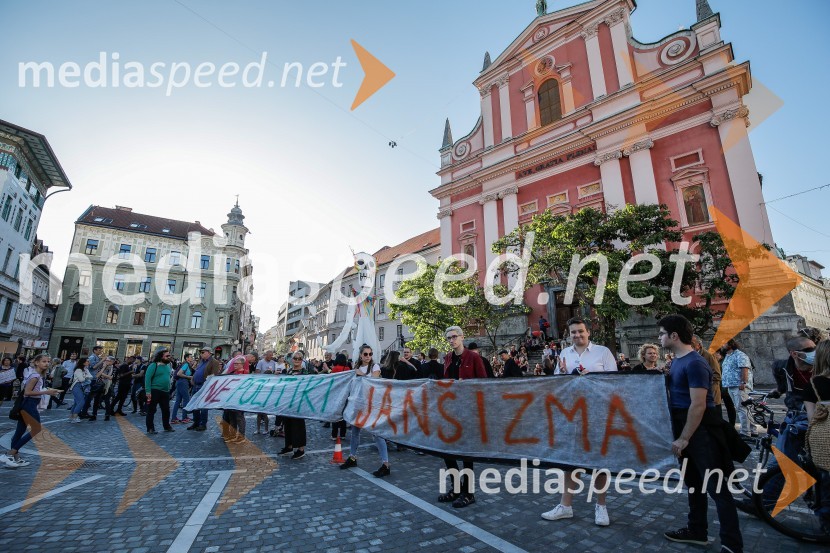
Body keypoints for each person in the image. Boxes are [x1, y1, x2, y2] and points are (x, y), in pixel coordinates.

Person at [659, 315, 743, 553]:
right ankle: (697, 530)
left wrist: (685, 437)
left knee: (718, 489)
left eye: (662, 333)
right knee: (694, 484)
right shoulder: (677, 361)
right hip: (685, 427)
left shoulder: (695, 363)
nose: (659, 338)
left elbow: (698, 405)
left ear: (674, 336)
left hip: (701, 431)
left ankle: (732, 544)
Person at [544, 317, 616, 526]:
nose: (577, 335)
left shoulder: (603, 352)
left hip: (598, 414)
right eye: (573, 332)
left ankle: (601, 506)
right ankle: (565, 506)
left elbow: (615, 382)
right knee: (570, 461)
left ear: (588, 332)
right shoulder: (564, 354)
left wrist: (591, 376)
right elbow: (559, 385)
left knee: (599, 462)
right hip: (572, 415)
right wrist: (565, 375)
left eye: (580, 331)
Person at [438, 326, 487, 508]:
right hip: (450, 411)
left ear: (462, 337)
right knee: (447, 451)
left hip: (469, 410)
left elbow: (483, 383)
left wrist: (465, 386)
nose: (451, 340)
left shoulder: (474, 358)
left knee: (466, 454)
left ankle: (469, 492)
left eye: (454, 337)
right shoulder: (448, 358)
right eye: (449, 338)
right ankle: (456, 487)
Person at [1, 354, 61, 468]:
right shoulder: (35, 376)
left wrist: (47, 390)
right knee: (36, 428)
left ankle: (15, 457)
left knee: (20, 431)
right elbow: (27, 392)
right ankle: (10, 454)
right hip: (29, 404)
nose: (47, 363)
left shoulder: (39, 375)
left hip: (30, 403)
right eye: (44, 361)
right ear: (37, 363)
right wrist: (46, 392)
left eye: (48, 361)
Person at [340, 344, 390, 476]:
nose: (368, 356)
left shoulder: (375, 367)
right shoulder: (355, 367)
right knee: (355, 431)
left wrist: (361, 374)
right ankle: (352, 457)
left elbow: (373, 382)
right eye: (366, 354)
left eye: (370, 354)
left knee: (376, 433)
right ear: (361, 355)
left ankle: (386, 464)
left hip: (372, 404)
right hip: (358, 404)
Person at [803, 339, 830, 534]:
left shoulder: (814, 384)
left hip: (824, 441)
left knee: (825, 485)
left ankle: (826, 523)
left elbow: (811, 417)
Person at [277, 352, 307, 459]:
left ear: (302, 360)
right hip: (288, 401)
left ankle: (301, 449)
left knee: (298, 425)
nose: (297, 360)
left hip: (299, 402)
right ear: (292, 359)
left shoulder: (305, 372)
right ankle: (288, 446)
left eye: (299, 358)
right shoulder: (288, 371)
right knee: (287, 424)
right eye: (295, 358)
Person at [721, 339, 753, 438]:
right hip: (731, 385)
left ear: (730, 344)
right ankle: (752, 429)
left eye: (724, 343)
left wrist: (743, 382)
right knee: (744, 408)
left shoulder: (740, 355)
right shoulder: (727, 356)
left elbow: (744, 369)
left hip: (739, 386)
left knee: (742, 408)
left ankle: (745, 432)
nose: (722, 345)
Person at [188, 347, 223, 431]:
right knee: (195, 404)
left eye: (203, 352)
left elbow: (214, 375)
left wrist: (209, 386)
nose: (201, 353)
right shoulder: (201, 361)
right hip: (196, 385)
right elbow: (197, 371)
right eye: (201, 352)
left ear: (209, 353)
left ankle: (203, 424)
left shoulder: (214, 362)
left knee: (203, 406)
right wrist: (193, 379)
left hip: (204, 386)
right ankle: (196, 422)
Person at [145, 348, 175, 434]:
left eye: (169, 355)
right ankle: (150, 428)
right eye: (167, 356)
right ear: (161, 356)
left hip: (165, 391)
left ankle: (167, 426)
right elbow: (147, 379)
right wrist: (148, 391)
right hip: (155, 390)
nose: (169, 357)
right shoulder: (153, 365)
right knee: (152, 410)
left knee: (166, 410)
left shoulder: (169, 365)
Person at [221, 356, 249, 443]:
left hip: (239, 398)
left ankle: (241, 436)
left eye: (237, 364)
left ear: (242, 365)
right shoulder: (233, 372)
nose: (235, 365)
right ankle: (232, 435)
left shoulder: (245, 374)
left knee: (239, 417)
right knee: (231, 417)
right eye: (234, 363)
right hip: (231, 398)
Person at [692, 335, 723, 411]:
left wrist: (703, 382)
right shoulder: (691, 356)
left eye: (691, 343)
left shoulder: (708, 355)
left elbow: (717, 375)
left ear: (698, 345)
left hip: (711, 397)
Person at [329, 353, 350, 440]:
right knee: (343, 414)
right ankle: (343, 434)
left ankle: (334, 435)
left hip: (336, 393)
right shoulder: (348, 369)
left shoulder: (335, 369)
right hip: (345, 393)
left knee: (335, 414)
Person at [88, 356, 115, 422]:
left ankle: (107, 415)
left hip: (107, 386)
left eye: (108, 360)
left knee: (107, 401)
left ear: (112, 362)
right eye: (106, 360)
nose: (106, 361)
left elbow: (111, 377)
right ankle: (94, 415)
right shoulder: (101, 366)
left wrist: (103, 374)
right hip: (99, 385)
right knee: (96, 400)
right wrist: (103, 368)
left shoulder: (114, 368)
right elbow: (97, 375)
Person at [68, 357, 93, 423]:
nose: (88, 362)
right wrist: (86, 377)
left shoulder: (86, 369)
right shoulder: (78, 370)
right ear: (83, 362)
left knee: (76, 402)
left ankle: (71, 416)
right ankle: (75, 417)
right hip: (76, 386)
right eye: (87, 361)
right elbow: (81, 379)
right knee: (81, 402)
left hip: (83, 387)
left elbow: (91, 377)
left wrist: (85, 377)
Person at [170, 356, 193, 424]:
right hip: (183, 382)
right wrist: (189, 377)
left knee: (178, 401)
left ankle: (174, 418)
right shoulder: (185, 364)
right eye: (190, 357)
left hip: (179, 382)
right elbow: (179, 373)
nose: (192, 358)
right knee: (186, 399)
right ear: (187, 358)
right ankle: (184, 417)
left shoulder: (186, 364)